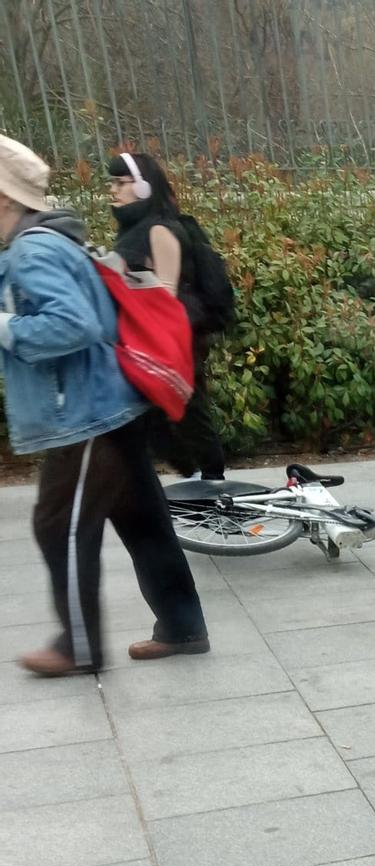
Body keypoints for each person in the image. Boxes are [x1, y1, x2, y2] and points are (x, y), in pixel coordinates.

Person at [0, 136, 209, 675]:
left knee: (59, 526)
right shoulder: (54, 240)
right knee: (143, 521)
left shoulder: (32, 249)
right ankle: (183, 627)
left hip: (84, 413)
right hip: (110, 402)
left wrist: (7, 329)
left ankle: (78, 648)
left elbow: (73, 324)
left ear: (5, 199)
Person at [108, 152, 226, 479]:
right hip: (151, 334)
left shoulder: (160, 229)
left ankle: (212, 480)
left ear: (144, 187)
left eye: (121, 183)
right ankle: (191, 477)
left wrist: (120, 280)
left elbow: (166, 290)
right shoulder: (136, 229)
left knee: (188, 409)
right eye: (113, 183)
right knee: (154, 413)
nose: (114, 190)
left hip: (176, 334)